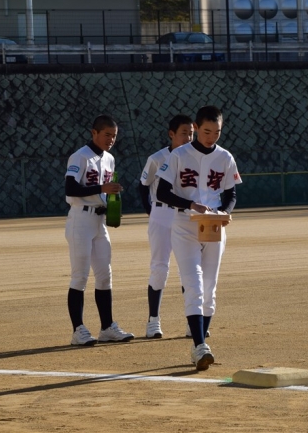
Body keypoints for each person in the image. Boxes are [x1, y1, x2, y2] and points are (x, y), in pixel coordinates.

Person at [156, 105, 242, 370]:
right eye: (206, 131)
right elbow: (162, 192)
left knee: (209, 286)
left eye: (217, 132)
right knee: (193, 283)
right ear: (195, 127)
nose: (211, 137)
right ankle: (200, 346)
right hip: (185, 224)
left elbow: (231, 194)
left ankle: (199, 342)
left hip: (214, 225)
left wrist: (225, 212)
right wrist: (190, 204)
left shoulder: (225, 157)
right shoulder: (179, 155)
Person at [64, 114, 135, 346]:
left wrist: (112, 207)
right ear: (94, 132)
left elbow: (105, 191)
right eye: (107, 135)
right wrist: (101, 188)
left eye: (114, 136)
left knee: (105, 275)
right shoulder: (80, 156)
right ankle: (78, 330)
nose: (111, 139)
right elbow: (70, 188)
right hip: (80, 220)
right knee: (80, 275)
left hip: (99, 220)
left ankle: (107, 328)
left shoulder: (109, 159)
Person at [138, 114, 194, 339]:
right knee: (160, 267)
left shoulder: (196, 158)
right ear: (172, 134)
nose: (188, 138)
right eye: (184, 133)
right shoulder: (157, 158)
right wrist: (151, 211)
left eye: (191, 133)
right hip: (161, 213)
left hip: (186, 214)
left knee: (189, 269)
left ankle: (192, 321)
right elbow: (143, 185)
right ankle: (153, 321)